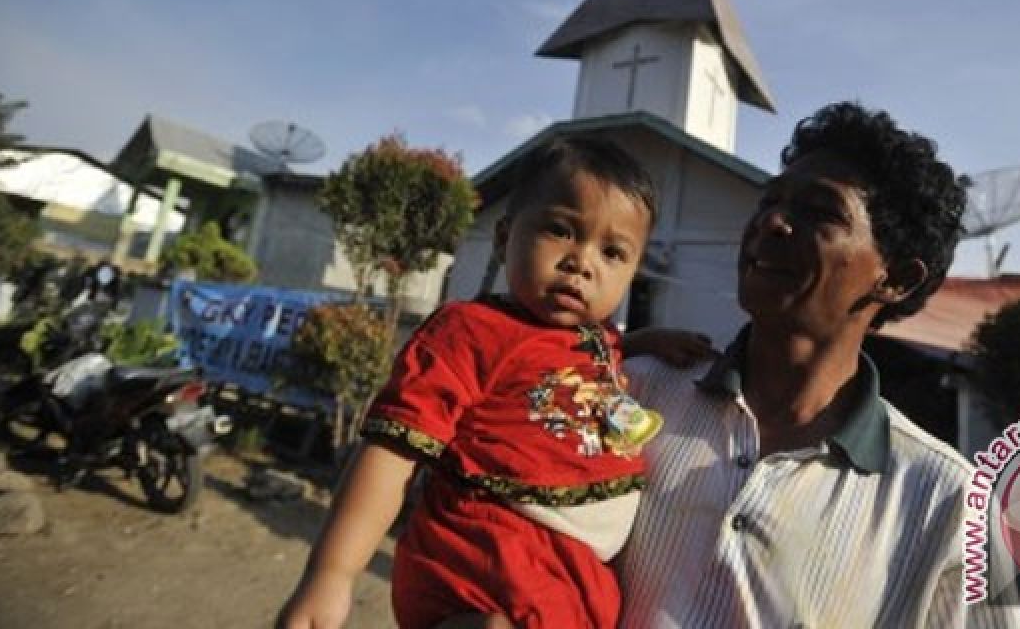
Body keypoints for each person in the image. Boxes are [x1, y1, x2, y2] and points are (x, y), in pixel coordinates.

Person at [617, 102, 1020, 628]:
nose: (773, 222)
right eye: (770, 201)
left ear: (896, 278)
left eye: (821, 211)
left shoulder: (947, 504)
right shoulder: (637, 392)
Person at [278, 135, 706, 629]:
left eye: (612, 253)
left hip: (573, 576)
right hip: (490, 556)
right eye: (561, 230)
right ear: (504, 239)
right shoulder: (470, 330)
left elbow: (568, 363)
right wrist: (330, 574)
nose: (582, 262)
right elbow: (392, 451)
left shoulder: (599, 337)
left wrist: (648, 341)